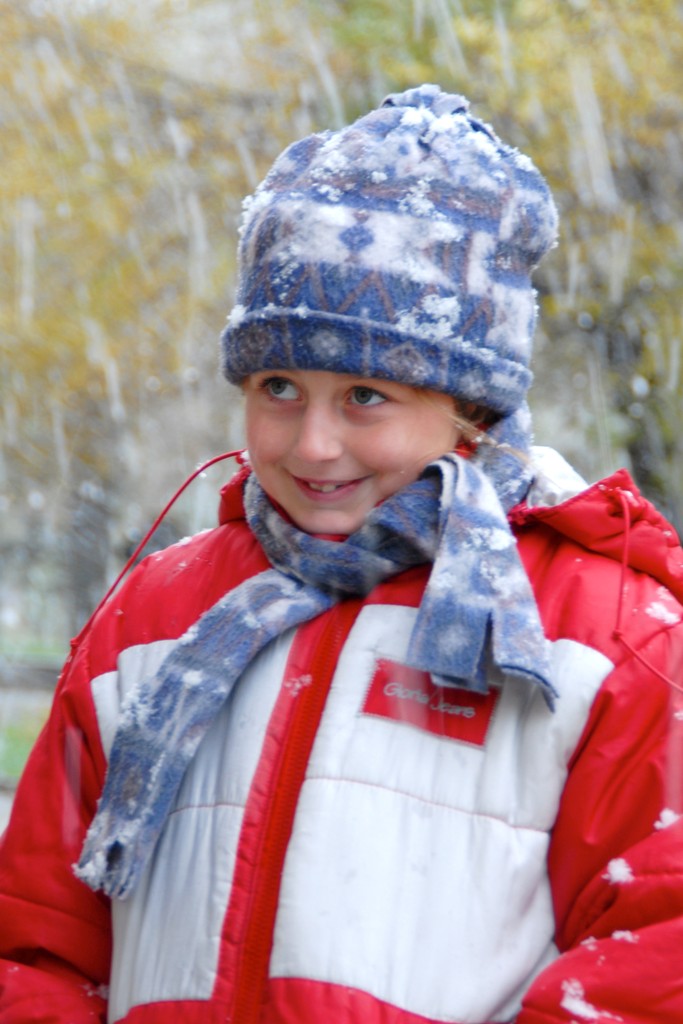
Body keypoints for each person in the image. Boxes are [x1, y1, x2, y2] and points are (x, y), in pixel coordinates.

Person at [1, 84, 683, 1024]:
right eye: (278, 387)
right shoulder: (157, 615)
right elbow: (38, 939)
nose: (312, 444)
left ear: (469, 410)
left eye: (366, 396)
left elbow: (654, 948)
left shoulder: (604, 636)